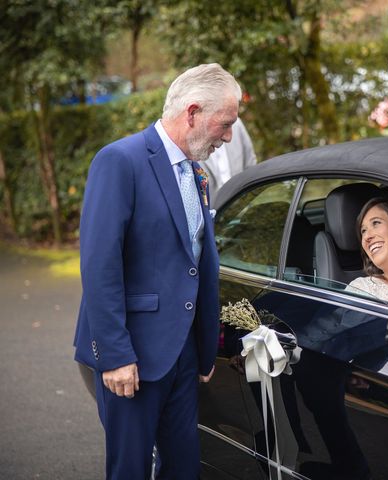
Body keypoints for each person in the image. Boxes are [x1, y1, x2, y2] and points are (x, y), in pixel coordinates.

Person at [73, 63, 241, 479]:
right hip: (132, 354)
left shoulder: (196, 174)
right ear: (193, 112)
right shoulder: (120, 161)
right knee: (130, 470)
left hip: (182, 355)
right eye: (225, 124)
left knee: (184, 469)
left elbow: (197, 262)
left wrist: (205, 349)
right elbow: (100, 265)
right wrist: (114, 356)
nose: (228, 137)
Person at [200, 117, 256, 196]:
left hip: (239, 202)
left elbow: (250, 165)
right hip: (209, 205)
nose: (229, 138)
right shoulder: (196, 131)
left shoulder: (237, 125)